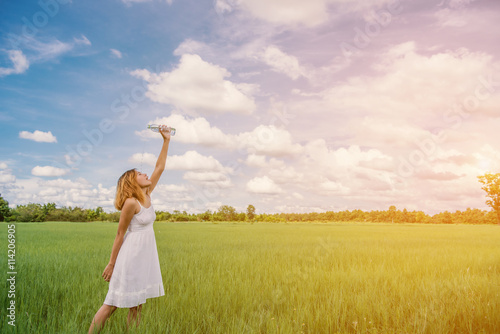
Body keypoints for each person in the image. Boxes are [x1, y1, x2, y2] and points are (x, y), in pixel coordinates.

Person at [88, 126, 171, 334]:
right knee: (113, 303)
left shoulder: (147, 194)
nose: (145, 173)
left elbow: (159, 168)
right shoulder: (131, 203)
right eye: (139, 174)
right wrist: (111, 263)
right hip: (130, 257)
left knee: (137, 303)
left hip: (144, 257)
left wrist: (166, 140)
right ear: (132, 182)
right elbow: (119, 235)